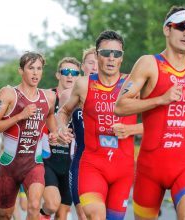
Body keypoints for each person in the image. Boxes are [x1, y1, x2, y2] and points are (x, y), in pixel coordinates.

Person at [114, 6, 185, 219]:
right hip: (150, 168)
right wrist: (160, 99)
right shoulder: (149, 64)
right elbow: (120, 106)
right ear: (167, 30)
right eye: (181, 26)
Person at [57, 30, 143, 220]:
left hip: (123, 170)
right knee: (95, 216)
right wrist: (62, 127)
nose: (111, 59)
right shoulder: (83, 85)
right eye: (105, 53)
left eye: (117, 54)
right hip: (92, 166)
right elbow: (63, 112)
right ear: (97, 56)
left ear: (122, 58)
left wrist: (132, 129)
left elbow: (158, 122)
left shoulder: (133, 84)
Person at [0, 51, 61, 220]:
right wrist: (20, 116)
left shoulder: (48, 97)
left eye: (39, 68)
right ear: (21, 71)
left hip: (34, 163)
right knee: (5, 215)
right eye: (31, 68)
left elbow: (49, 116)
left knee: (34, 206)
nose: (35, 73)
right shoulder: (8, 94)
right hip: (9, 165)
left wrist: (54, 133)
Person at [40, 57, 81, 220]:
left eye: (74, 73)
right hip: (48, 160)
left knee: (62, 214)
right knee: (51, 205)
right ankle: (39, 213)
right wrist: (49, 135)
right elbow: (37, 125)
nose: (70, 76)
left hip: (70, 163)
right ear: (58, 75)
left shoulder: (82, 100)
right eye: (66, 72)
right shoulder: (48, 97)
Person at [67, 47, 97, 220]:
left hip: (106, 162)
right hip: (80, 160)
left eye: (96, 63)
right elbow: (60, 115)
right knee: (83, 215)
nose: (94, 67)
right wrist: (60, 130)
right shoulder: (72, 94)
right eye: (90, 63)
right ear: (83, 66)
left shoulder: (112, 93)